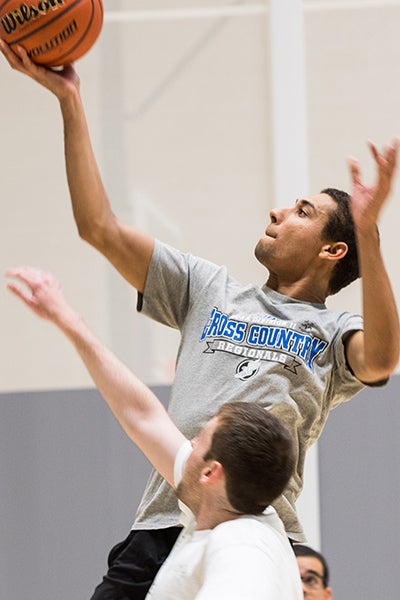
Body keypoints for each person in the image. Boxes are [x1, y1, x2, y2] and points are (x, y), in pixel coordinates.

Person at [1, 41, 399, 600]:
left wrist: (371, 231)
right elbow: (99, 227)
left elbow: (382, 358)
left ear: (333, 250)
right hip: (164, 519)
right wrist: (69, 100)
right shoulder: (206, 287)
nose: (278, 211)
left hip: (255, 529)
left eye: (302, 212)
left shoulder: (332, 333)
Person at [6, 266, 302, 599]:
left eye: (198, 440)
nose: (187, 443)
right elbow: (141, 415)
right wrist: (66, 318)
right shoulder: (221, 510)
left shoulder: (243, 547)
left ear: (211, 472)